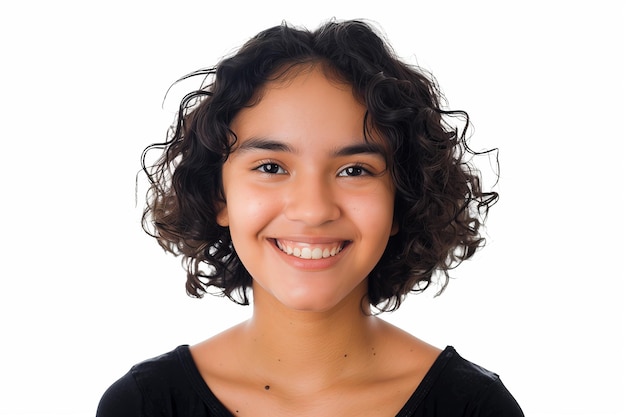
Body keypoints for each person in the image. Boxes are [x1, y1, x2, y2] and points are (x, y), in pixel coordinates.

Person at [97, 19, 524, 416]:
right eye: (271, 167)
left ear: (403, 197)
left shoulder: (474, 408)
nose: (313, 210)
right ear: (218, 196)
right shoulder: (144, 406)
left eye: (354, 170)